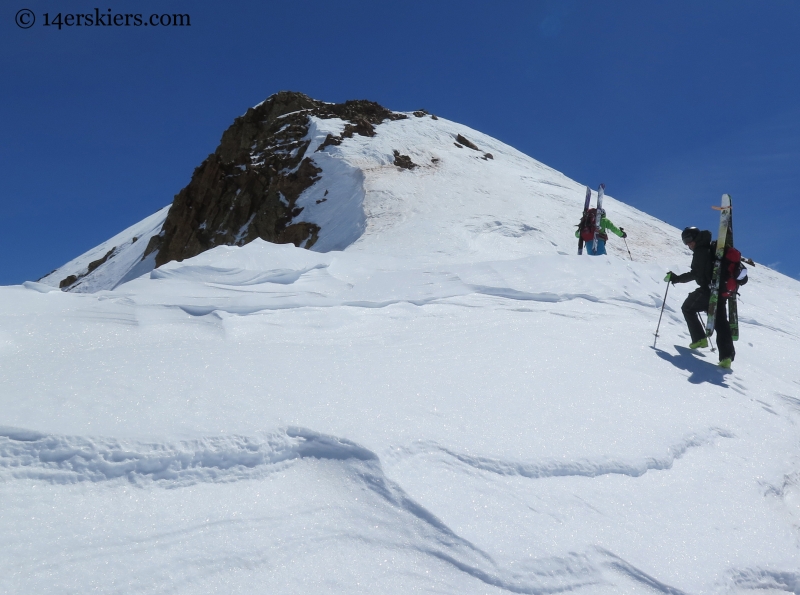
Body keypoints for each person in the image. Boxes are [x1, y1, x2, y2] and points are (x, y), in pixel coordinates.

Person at [665, 226, 735, 369]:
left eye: (689, 239)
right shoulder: (710, 248)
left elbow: (696, 273)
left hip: (707, 290)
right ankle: (726, 357)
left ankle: (699, 339)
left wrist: (677, 278)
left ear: (696, 237)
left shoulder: (701, 251)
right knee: (721, 323)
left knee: (687, 308)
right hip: (720, 291)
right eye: (685, 241)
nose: (688, 244)